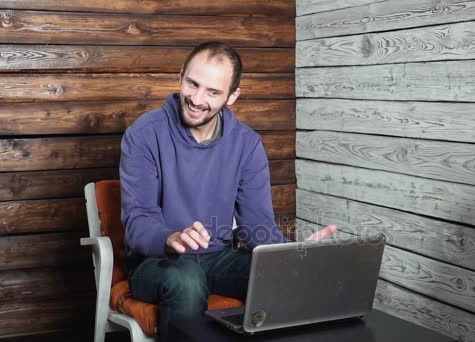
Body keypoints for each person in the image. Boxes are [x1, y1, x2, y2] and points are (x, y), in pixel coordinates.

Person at [119, 41, 337, 340]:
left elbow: (256, 227)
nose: (197, 99)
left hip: (218, 258)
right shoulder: (144, 134)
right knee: (187, 279)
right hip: (156, 263)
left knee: (286, 278)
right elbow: (138, 222)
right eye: (192, 83)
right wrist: (172, 237)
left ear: (232, 96)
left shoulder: (247, 144)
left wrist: (292, 257)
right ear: (181, 76)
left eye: (213, 91)